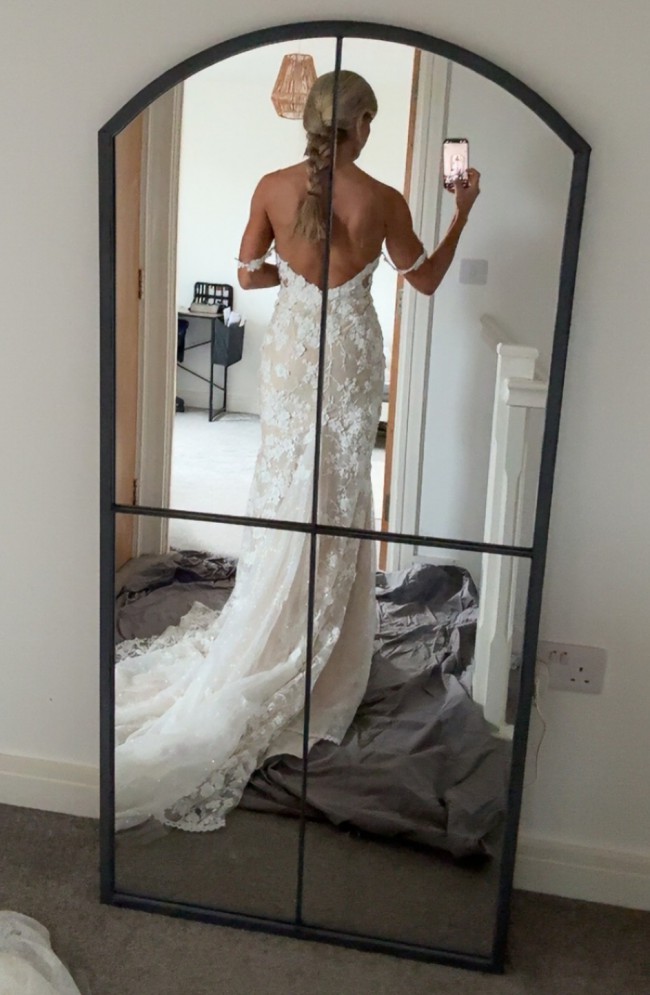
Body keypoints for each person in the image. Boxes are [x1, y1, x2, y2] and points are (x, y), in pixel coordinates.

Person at [114, 70, 480, 833]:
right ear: (363, 123)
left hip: (292, 350)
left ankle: (273, 614)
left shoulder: (273, 187)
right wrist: (462, 212)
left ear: (309, 121)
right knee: (338, 489)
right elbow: (427, 280)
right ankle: (322, 635)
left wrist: (289, 272)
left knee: (286, 483)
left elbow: (248, 274)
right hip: (349, 355)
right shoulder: (384, 199)